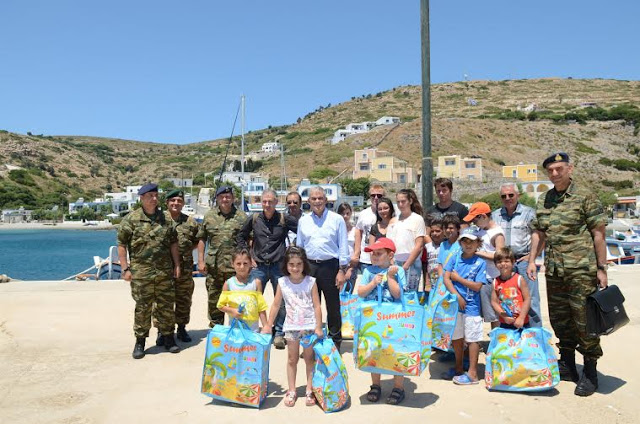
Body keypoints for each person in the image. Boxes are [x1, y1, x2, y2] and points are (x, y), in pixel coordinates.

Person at [527, 152, 608, 397]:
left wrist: (601, 269)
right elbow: (539, 233)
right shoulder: (545, 199)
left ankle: (591, 371)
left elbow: (598, 234)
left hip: (581, 270)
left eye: (559, 169)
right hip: (554, 270)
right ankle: (568, 363)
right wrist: (532, 260)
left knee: (585, 321)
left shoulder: (585, 196)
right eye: (550, 170)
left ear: (570, 169)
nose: (554, 174)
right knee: (560, 319)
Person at [117, 183, 182, 359]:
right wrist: (125, 268)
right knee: (143, 308)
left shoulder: (166, 219)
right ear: (142, 198)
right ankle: (140, 342)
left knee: (166, 306)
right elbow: (122, 245)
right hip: (141, 273)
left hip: (164, 272)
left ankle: (168, 338)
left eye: (156, 195)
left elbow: (173, 243)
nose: (154, 199)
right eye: (150, 196)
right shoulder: (131, 219)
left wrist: (177, 265)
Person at [262, 246, 323, 407]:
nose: (295, 268)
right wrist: (269, 325)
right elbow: (276, 305)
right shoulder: (282, 282)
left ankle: (310, 390)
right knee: (292, 359)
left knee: (310, 359)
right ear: (286, 265)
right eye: (291, 264)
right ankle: (292, 390)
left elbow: (317, 305)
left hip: (309, 327)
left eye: (298, 264)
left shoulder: (311, 282)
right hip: (291, 327)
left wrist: (318, 327)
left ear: (304, 264)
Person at [236, 189, 298, 349]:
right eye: (264, 201)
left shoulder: (284, 219)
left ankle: (278, 333)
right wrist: (248, 257)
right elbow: (241, 236)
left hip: (278, 266)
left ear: (277, 202)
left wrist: (295, 253)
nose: (267, 204)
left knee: (282, 301)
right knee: (253, 299)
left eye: (270, 201)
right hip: (259, 266)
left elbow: (303, 232)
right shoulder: (255, 219)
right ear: (261, 202)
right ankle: (254, 331)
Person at [296, 186, 349, 350]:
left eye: (320, 198)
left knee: (333, 306)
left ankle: (335, 342)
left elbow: (343, 247)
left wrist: (342, 270)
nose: (317, 201)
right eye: (314, 199)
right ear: (309, 201)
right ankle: (311, 340)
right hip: (310, 266)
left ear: (326, 200)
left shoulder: (337, 219)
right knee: (310, 306)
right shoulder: (303, 221)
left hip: (330, 266)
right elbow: (300, 247)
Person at [357, 238, 408, 405]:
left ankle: (398, 387)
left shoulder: (398, 270)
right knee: (374, 349)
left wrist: (391, 277)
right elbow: (361, 292)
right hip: (373, 317)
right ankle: (375, 385)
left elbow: (398, 295)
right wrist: (373, 282)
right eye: (373, 254)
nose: (374, 257)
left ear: (390, 254)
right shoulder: (368, 271)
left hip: (394, 318)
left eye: (379, 253)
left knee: (396, 349)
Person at [153, 189, 200, 346]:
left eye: (179, 201)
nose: (176, 203)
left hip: (185, 269)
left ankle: (181, 328)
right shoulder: (158, 220)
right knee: (161, 301)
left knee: (184, 299)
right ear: (167, 203)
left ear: (183, 203)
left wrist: (185, 252)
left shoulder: (190, 222)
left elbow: (198, 240)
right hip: (162, 269)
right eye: (172, 201)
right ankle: (162, 331)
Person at [492, 183, 541, 327]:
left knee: (531, 299)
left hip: (524, 261)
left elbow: (540, 236)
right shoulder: (495, 216)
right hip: (504, 263)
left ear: (518, 195)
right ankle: (510, 335)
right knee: (506, 299)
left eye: (511, 195)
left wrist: (532, 257)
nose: (507, 198)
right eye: (504, 196)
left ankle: (535, 336)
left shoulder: (530, 213)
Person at [197, 186, 247, 327]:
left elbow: (249, 239)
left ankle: (237, 329)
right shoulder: (209, 216)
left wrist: (249, 262)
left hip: (235, 269)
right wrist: (200, 261)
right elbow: (202, 239)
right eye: (221, 197)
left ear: (233, 198)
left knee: (236, 300)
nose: (225, 199)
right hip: (214, 267)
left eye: (228, 196)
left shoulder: (242, 217)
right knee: (214, 300)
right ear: (217, 198)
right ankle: (216, 329)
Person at [443, 227, 487, 385]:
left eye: (472, 242)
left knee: (473, 337)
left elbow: (477, 286)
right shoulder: (454, 257)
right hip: (455, 305)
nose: (468, 245)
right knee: (457, 337)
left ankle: (473, 373)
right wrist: (456, 295)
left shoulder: (480, 262)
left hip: (472, 306)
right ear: (460, 243)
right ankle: (459, 367)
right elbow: (446, 278)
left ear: (478, 244)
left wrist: (458, 278)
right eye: (465, 241)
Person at [464, 202, 505, 329]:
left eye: (475, 219)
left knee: (494, 314)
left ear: (483, 216)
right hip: (479, 277)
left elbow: (500, 256)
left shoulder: (497, 233)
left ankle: (497, 342)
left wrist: (478, 253)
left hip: (491, 278)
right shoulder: (480, 231)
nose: (473, 222)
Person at [217, 249, 268, 331]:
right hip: (235, 329)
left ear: (251, 264)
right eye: (238, 263)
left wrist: (266, 326)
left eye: (245, 263)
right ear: (232, 264)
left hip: (252, 329)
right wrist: (232, 311)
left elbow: (261, 307)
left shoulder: (256, 283)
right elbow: (220, 305)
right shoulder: (228, 284)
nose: (242, 267)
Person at [387, 189, 426, 292]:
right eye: (398, 202)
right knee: (395, 293)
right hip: (395, 262)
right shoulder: (393, 221)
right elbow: (389, 245)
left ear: (410, 201)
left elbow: (419, 245)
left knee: (410, 296)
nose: (400, 204)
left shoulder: (418, 219)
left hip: (411, 263)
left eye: (403, 201)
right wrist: (391, 263)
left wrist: (406, 265)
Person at [491, 247, 531, 329]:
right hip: (505, 322)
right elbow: (494, 302)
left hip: (521, 322)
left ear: (513, 262)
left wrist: (521, 318)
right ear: (495, 264)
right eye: (499, 262)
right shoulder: (495, 282)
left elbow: (527, 299)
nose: (503, 264)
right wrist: (504, 316)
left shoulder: (519, 279)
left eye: (506, 261)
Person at [352, 184, 386, 272]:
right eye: (373, 195)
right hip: (366, 259)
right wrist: (357, 252)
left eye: (379, 195)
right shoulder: (363, 213)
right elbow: (358, 232)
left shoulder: (388, 214)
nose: (376, 198)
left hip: (384, 259)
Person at [337, 202, 358, 291]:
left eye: (347, 213)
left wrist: (350, 268)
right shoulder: (335, 230)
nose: (345, 216)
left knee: (348, 294)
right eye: (342, 213)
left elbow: (357, 250)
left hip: (351, 265)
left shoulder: (355, 230)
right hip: (337, 267)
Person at [425, 218, 444, 292]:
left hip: (442, 282)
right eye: (432, 231)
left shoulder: (446, 246)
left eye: (438, 231)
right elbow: (426, 265)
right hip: (432, 281)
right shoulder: (428, 246)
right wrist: (427, 282)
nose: (434, 233)